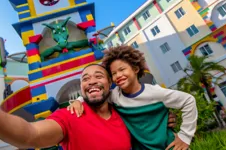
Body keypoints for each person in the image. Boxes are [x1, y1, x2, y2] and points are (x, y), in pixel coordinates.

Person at [0, 53, 176, 150]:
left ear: (111, 84)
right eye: (85, 78)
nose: (91, 81)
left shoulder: (126, 113)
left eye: (98, 76)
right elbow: (29, 135)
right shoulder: (71, 115)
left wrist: (164, 118)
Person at [68, 45, 198, 150]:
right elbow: (95, 94)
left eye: (122, 69)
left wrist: (185, 136)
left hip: (169, 146)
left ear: (135, 69)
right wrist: (78, 101)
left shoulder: (156, 93)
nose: (118, 75)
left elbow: (188, 101)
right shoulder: (114, 96)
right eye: (113, 73)